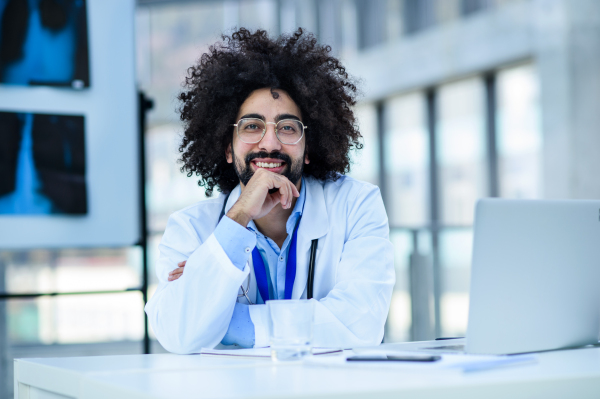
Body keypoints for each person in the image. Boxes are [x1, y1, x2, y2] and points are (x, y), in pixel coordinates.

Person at [145, 28, 395, 354]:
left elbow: (362, 321)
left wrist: (231, 326)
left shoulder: (357, 205)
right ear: (227, 148)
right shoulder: (191, 228)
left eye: (288, 128)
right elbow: (180, 333)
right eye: (252, 126)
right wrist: (237, 219)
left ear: (308, 148)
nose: (270, 143)